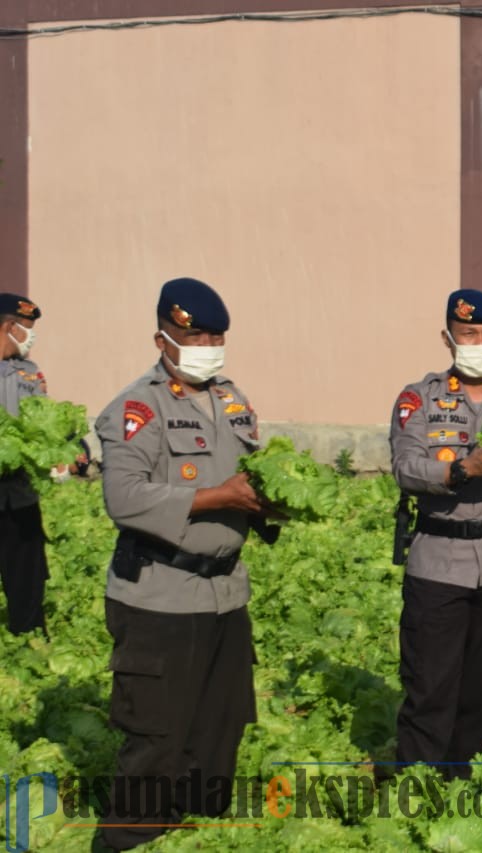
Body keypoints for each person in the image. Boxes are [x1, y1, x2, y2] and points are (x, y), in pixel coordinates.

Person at [94, 278, 265, 850]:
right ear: (163, 338)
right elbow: (124, 497)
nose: (207, 344)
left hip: (225, 596)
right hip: (159, 596)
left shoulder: (233, 401)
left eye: (216, 335)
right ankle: (127, 839)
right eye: (195, 334)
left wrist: (276, 501)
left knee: (219, 732)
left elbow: (256, 478)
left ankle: (195, 834)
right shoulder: (137, 409)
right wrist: (217, 498)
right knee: (156, 740)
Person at [389, 289, 482, 781]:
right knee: (431, 683)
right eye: (469, 334)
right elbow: (406, 467)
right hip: (439, 560)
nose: (479, 343)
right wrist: (461, 470)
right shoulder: (418, 399)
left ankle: (472, 783)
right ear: (448, 338)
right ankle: (418, 782)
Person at [0, 293, 50, 635]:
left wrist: (69, 447)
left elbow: (47, 420)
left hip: (18, 489)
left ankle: (29, 633)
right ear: (8, 327)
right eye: (27, 329)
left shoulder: (29, 372)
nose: (30, 337)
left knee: (27, 566)